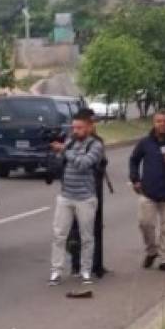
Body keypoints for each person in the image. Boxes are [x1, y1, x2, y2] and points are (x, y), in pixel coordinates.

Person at [48, 111, 105, 286]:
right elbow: (62, 161)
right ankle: (56, 271)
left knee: (86, 236)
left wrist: (65, 150)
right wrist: (59, 153)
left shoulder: (95, 145)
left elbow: (84, 164)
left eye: (80, 127)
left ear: (89, 127)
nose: (76, 131)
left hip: (85, 197)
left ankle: (85, 271)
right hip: (66, 196)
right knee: (59, 235)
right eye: (74, 127)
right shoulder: (70, 142)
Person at [129, 110, 165, 272]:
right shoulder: (145, 142)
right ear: (154, 123)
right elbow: (134, 160)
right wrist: (135, 179)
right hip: (149, 191)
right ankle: (152, 250)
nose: (162, 124)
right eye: (158, 121)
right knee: (145, 223)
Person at [68, 109, 109, 279]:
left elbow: (102, 163)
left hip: (94, 189)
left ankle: (96, 265)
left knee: (95, 227)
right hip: (76, 191)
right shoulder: (72, 141)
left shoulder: (97, 141)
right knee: (76, 229)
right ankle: (76, 264)